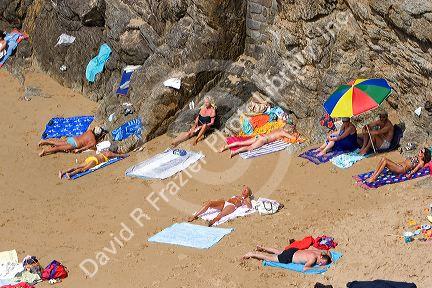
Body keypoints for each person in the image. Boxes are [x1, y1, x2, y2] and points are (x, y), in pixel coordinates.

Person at [219, 124, 301, 158]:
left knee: (242, 142)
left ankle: (226, 146)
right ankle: (234, 152)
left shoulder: (279, 129)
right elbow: (292, 138)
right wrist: (297, 138)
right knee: (249, 148)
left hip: (260, 136)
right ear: (288, 130)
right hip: (263, 140)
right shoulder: (283, 132)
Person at [188, 185, 253, 226]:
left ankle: (213, 221)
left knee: (221, 214)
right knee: (209, 203)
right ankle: (195, 216)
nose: (244, 191)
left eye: (246, 190)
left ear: (248, 193)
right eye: (243, 189)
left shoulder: (247, 198)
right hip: (225, 203)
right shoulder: (237, 196)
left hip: (232, 206)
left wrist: (245, 201)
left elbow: (250, 206)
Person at [242, 245, 332, 271]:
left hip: (294, 250)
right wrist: (319, 267)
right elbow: (305, 268)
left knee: (278, 251)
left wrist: (328, 258)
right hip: (289, 257)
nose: (319, 263)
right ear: (320, 258)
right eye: (321, 262)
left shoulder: (319, 252)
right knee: (269, 257)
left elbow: (328, 252)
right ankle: (252, 254)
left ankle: (262, 247)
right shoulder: (313, 259)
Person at [366, 147, 431, 183]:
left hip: (401, 169)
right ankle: (373, 175)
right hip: (399, 165)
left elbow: (415, 169)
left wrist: (410, 174)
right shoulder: (417, 157)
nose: (420, 151)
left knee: (385, 160)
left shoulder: (421, 162)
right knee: (383, 159)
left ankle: (374, 178)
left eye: (422, 151)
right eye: (421, 150)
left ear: (424, 156)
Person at [59, 147, 128, 179]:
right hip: (94, 161)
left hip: (91, 158)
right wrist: (125, 155)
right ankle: (70, 174)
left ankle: (62, 172)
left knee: (77, 166)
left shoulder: (104, 151)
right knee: (83, 169)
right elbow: (118, 156)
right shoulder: (109, 153)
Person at [38, 126, 106, 157]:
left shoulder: (89, 131)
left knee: (58, 142)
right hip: (75, 144)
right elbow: (86, 147)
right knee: (58, 148)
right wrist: (78, 150)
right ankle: (45, 151)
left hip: (73, 138)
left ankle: (45, 141)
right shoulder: (93, 141)